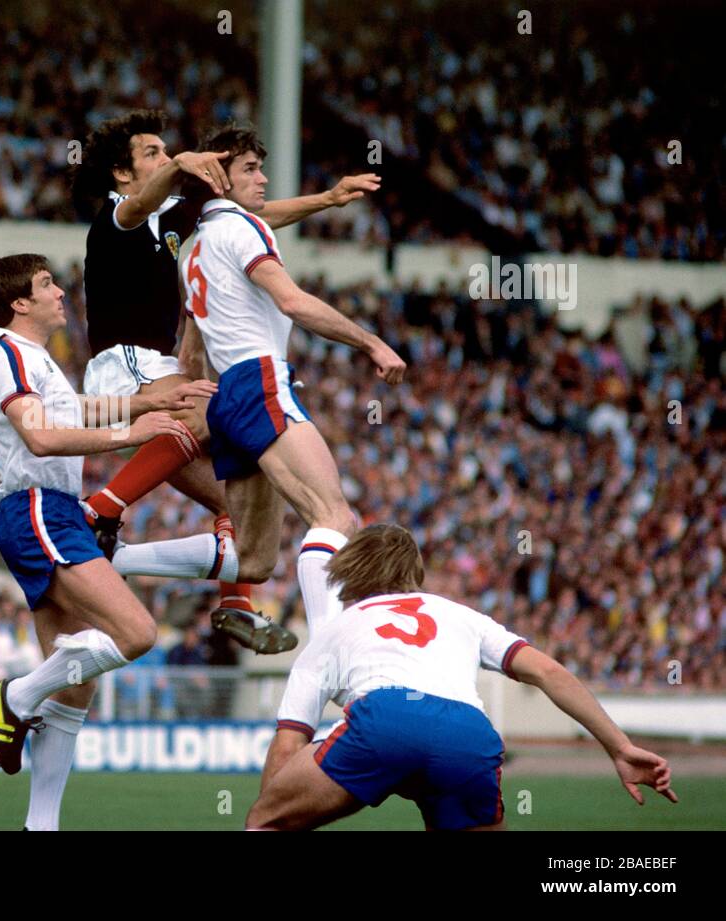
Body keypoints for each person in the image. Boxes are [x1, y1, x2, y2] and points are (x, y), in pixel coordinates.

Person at [73, 109, 381, 652]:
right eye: (153, 154)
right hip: (128, 364)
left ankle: (232, 603)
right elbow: (146, 202)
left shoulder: (173, 217)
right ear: (122, 173)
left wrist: (326, 200)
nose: (166, 159)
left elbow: (252, 213)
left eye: (168, 152)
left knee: (235, 505)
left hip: (156, 367)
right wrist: (185, 163)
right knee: (212, 409)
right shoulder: (121, 212)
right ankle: (98, 510)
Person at [0, 253, 223, 829]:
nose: (61, 292)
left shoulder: (33, 358)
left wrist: (148, 402)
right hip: (39, 510)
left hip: (47, 513)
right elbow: (38, 436)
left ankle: (41, 823)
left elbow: (73, 409)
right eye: (45, 284)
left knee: (74, 692)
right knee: (135, 633)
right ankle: (17, 696)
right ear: (18, 304)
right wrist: (129, 433)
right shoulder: (2, 353)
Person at [246, 524, 677, 831]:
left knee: (265, 823)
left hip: (384, 718)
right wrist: (618, 746)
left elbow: (290, 741)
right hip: (466, 733)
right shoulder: (461, 615)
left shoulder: (334, 630)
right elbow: (547, 671)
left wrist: (272, 810)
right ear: (414, 574)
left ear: (352, 573)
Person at [177, 124, 406, 647]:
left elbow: (189, 354)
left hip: (227, 396)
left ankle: (114, 557)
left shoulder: (191, 249)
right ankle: (332, 650)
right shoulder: (244, 232)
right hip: (260, 381)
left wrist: (327, 199)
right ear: (219, 180)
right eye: (250, 170)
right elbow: (293, 302)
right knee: (336, 517)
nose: (263, 179)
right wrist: (371, 342)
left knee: (253, 561)